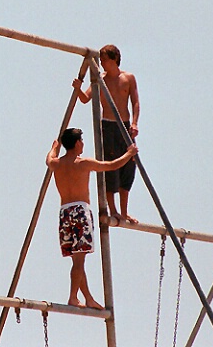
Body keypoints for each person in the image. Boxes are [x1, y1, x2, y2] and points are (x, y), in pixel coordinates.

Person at [46, 128, 138, 309]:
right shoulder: (83, 163)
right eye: (81, 140)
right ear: (77, 143)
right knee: (79, 262)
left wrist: (54, 148)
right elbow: (111, 165)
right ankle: (73, 296)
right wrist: (129, 153)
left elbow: (48, 159)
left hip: (65, 212)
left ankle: (87, 297)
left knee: (77, 261)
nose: (83, 144)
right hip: (80, 212)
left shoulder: (56, 164)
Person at [72, 44, 140, 224]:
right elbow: (86, 99)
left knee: (129, 166)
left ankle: (124, 212)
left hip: (125, 126)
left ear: (114, 59)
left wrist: (134, 123)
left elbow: (135, 102)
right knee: (110, 166)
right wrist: (78, 88)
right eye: (100, 60)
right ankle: (113, 210)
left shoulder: (128, 78)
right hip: (108, 126)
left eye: (104, 60)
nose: (101, 63)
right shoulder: (100, 79)